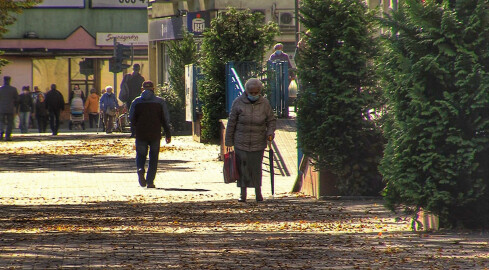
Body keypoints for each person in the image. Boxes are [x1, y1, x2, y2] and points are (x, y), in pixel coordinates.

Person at [225, 78, 276, 202]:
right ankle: (243, 194)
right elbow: (231, 122)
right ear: (246, 91)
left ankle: (258, 193)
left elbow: (271, 121)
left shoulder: (265, 104)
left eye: (256, 92)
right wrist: (228, 141)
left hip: (258, 141)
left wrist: (270, 132)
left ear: (259, 91)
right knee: (242, 168)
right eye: (251, 93)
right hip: (241, 141)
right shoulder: (238, 102)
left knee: (256, 168)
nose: (254, 95)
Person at [129, 80, 171, 189]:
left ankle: (140, 169)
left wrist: (134, 131)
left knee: (141, 154)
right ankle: (150, 181)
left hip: (141, 133)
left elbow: (131, 118)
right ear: (153, 89)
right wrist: (168, 133)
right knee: (153, 157)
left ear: (142, 89)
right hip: (155, 133)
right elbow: (165, 119)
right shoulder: (160, 102)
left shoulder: (136, 102)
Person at [120, 64, 145, 137]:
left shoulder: (127, 77)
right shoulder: (141, 78)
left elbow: (122, 86)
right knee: (137, 115)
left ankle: (134, 132)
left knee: (132, 115)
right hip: (137, 99)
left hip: (130, 99)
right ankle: (136, 131)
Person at [0, 76, 19, 141]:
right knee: (10, 122)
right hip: (10, 108)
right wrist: (16, 108)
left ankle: (1, 132)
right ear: (9, 81)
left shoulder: (0, 89)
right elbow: (17, 99)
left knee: (1, 121)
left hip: (1, 108)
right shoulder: (13, 89)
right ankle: (8, 135)